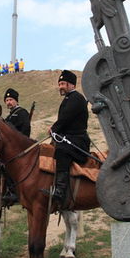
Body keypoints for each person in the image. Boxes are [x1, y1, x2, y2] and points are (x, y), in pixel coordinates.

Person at [47, 70, 90, 208]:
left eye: (63, 84)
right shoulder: (68, 99)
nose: (60, 86)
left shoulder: (76, 98)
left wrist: (53, 129)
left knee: (61, 152)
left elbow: (66, 118)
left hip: (78, 141)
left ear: (72, 85)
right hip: (68, 138)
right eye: (59, 84)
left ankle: (60, 189)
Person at [2, 88, 31, 206]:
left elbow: (25, 131)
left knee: (7, 165)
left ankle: (13, 192)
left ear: (16, 101)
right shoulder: (9, 116)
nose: (9, 102)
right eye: (7, 100)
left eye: (11, 100)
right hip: (10, 148)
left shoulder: (22, 113)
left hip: (19, 148)